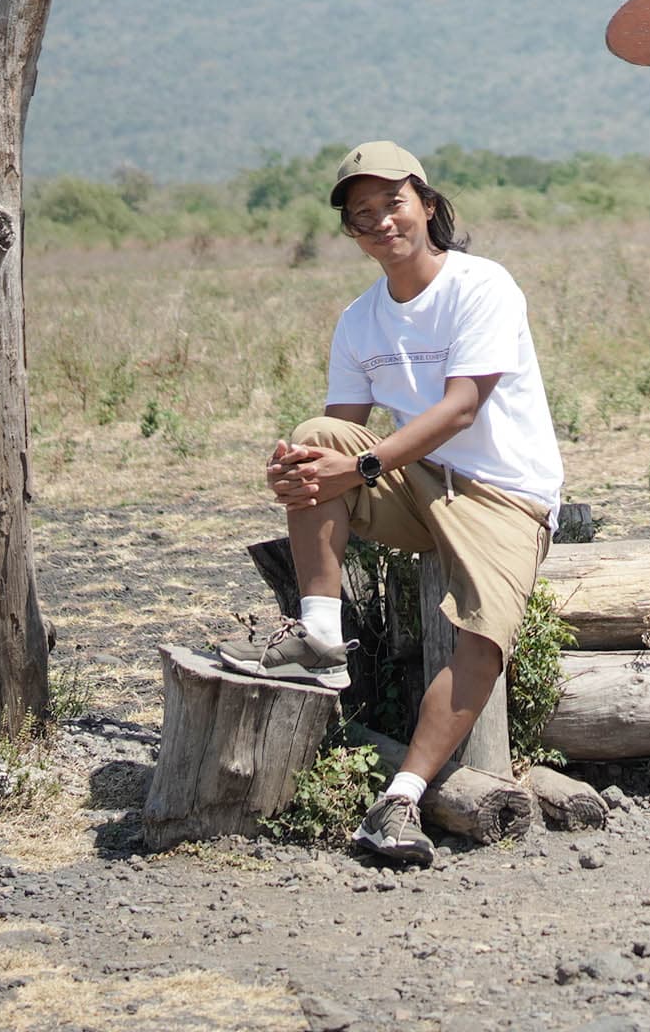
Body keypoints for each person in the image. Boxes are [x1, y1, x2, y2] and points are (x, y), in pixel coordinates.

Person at [220, 141, 565, 868]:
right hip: (414, 486)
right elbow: (338, 427)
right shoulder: (359, 319)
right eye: (361, 214)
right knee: (311, 443)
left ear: (428, 206)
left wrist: (361, 465)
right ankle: (319, 637)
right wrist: (297, 472)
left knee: (482, 637)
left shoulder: (482, 286)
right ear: (351, 232)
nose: (381, 223)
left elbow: (464, 407)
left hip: (503, 494)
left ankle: (401, 796)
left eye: (393, 204)